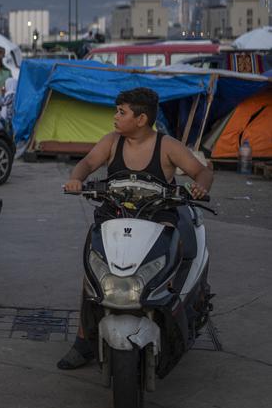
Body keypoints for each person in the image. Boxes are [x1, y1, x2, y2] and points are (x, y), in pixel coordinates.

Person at [57, 86, 213, 370]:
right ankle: (82, 342)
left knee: (168, 260)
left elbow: (201, 171)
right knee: (92, 274)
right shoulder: (112, 142)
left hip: (157, 218)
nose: (115, 117)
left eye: (121, 112)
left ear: (141, 119)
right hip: (113, 216)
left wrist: (200, 187)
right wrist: (76, 179)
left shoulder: (167, 146)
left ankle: (169, 315)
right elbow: (87, 163)